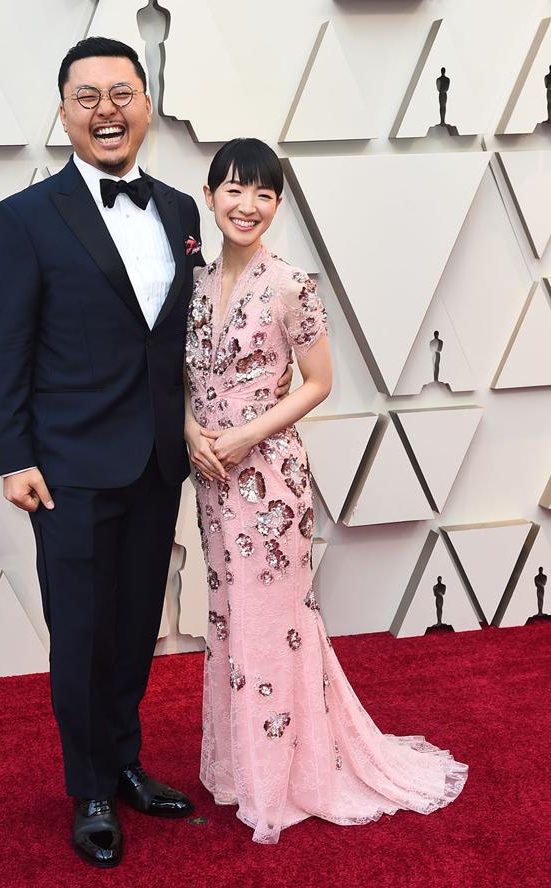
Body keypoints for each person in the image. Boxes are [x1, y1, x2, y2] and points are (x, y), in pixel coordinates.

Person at [0, 36, 291, 868]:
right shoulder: (24, 218)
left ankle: (124, 763)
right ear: (63, 113)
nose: (106, 110)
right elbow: (6, 345)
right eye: (87, 97)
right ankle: (86, 787)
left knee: (131, 629)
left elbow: (182, 338)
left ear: (148, 106)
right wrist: (15, 456)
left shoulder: (182, 212)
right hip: (69, 468)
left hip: (160, 460)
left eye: (122, 93)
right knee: (80, 631)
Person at [184, 137, 468, 844]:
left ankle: (289, 773)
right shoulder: (191, 281)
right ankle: (242, 769)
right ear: (211, 192)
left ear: (277, 204)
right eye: (234, 190)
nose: (247, 205)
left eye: (264, 193)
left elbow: (319, 383)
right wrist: (192, 432)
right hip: (210, 478)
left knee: (273, 619)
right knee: (227, 617)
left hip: (269, 480)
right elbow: (181, 377)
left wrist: (247, 436)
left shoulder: (291, 285)